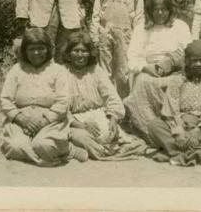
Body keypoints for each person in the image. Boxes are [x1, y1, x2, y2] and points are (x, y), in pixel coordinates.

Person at [0, 28, 87, 166]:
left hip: (51, 120)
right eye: (31, 49)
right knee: (16, 146)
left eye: (41, 48)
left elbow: (62, 103)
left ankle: (65, 149)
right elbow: (5, 100)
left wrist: (42, 122)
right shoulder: (16, 70)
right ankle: (58, 155)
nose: (36, 53)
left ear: (48, 50)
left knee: (43, 145)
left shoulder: (58, 70)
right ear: (24, 50)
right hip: (21, 120)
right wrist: (22, 120)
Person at [61, 31, 147, 160]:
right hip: (73, 121)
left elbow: (111, 96)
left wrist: (112, 118)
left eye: (84, 51)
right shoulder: (61, 73)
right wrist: (82, 125)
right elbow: (60, 106)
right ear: (68, 53)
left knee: (107, 134)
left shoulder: (96, 71)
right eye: (76, 50)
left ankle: (111, 147)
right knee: (84, 138)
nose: (80, 55)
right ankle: (102, 151)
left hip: (98, 115)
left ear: (90, 53)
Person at [123, 0, 192, 143]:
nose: (160, 13)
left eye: (164, 9)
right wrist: (146, 67)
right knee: (142, 83)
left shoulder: (180, 26)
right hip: (149, 70)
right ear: (149, 10)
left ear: (170, 9)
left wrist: (169, 64)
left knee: (175, 84)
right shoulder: (142, 28)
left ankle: (175, 127)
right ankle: (148, 129)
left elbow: (188, 52)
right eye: (156, 10)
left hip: (175, 70)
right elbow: (133, 57)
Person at [90, 0, 144, 98]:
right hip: (105, 33)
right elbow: (96, 13)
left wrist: (138, 39)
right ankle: (107, 106)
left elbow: (139, 16)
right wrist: (95, 35)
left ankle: (123, 106)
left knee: (122, 73)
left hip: (126, 35)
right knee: (104, 71)